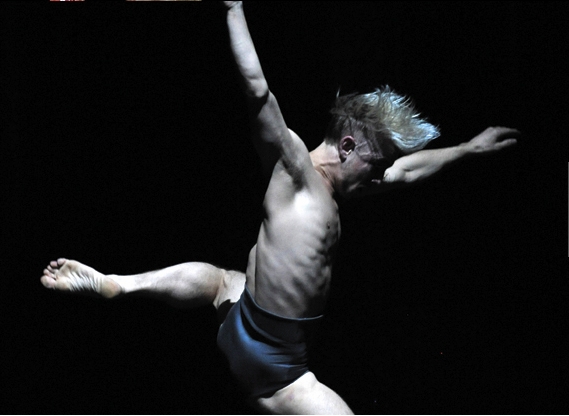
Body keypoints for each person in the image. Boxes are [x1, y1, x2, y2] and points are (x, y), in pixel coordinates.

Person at [40, 1, 519, 414]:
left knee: (223, 281)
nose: (382, 176)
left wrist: (469, 149)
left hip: (243, 313)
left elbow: (407, 172)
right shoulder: (293, 168)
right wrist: (233, 8)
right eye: (377, 163)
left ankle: (121, 285)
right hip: (275, 366)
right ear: (348, 145)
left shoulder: (343, 184)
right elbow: (257, 89)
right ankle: (123, 286)